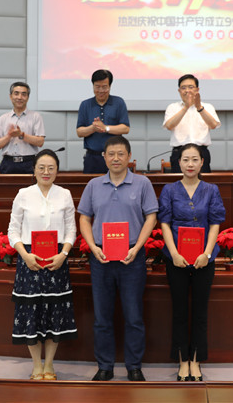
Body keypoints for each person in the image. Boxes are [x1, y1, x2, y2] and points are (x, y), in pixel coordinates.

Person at [77, 136, 158, 382]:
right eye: (111, 154)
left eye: (121, 154)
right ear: (104, 157)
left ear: (129, 157)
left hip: (132, 257)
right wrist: (92, 247)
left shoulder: (142, 183)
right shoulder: (93, 185)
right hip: (101, 257)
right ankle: (105, 366)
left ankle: (134, 366)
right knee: (102, 317)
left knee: (133, 315)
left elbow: (151, 217)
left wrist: (138, 248)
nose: (116, 158)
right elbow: (84, 218)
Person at [7, 149, 77, 380]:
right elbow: (13, 230)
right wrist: (25, 255)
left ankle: (49, 364)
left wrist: (63, 254)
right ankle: (36, 364)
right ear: (34, 170)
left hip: (57, 259)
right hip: (30, 260)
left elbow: (71, 230)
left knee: (54, 313)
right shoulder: (23, 194)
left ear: (57, 171)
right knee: (32, 313)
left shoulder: (64, 194)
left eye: (51, 168)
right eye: (41, 168)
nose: (46, 172)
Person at [158, 143, 224, 382]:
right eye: (185, 159)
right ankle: (182, 361)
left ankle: (196, 360)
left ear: (202, 162)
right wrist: (174, 253)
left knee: (199, 311)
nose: (190, 164)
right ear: (179, 162)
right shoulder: (169, 190)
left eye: (195, 159)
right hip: (176, 259)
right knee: (179, 311)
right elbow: (164, 222)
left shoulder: (211, 189)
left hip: (203, 259)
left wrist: (206, 253)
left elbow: (215, 222)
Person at [163, 74, 220, 173]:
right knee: (179, 182)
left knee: (202, 182)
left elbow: (213, 125)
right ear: (179, 91)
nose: (187, 90)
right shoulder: (172, 107)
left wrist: (199, 108)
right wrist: (186, 107)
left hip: (201, 152)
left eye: (190, 87)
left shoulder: (207, 107)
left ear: (197, 89)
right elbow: (169, 126)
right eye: (183, 88)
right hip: (179, 153)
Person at [76, 69, 130, 174]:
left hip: (115, 157)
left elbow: (125, 128)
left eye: (104, 87)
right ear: (93, 86)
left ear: (110, 86)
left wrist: (105, 128)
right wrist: (93, 128)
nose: (101, 90)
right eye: (97, 87)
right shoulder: (85, 105)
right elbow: (79, 132)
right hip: (92, 157)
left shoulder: (119, 102)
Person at [0, 82, 46, 174]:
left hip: (29, 163)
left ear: (28, 97)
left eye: (24, 94)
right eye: (16, 93)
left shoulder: (36, 117)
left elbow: (40, 142)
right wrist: (9, 136)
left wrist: (22, 135)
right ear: (10, 96)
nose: (20, 97)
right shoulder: (3, 118)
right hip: (8, 163)